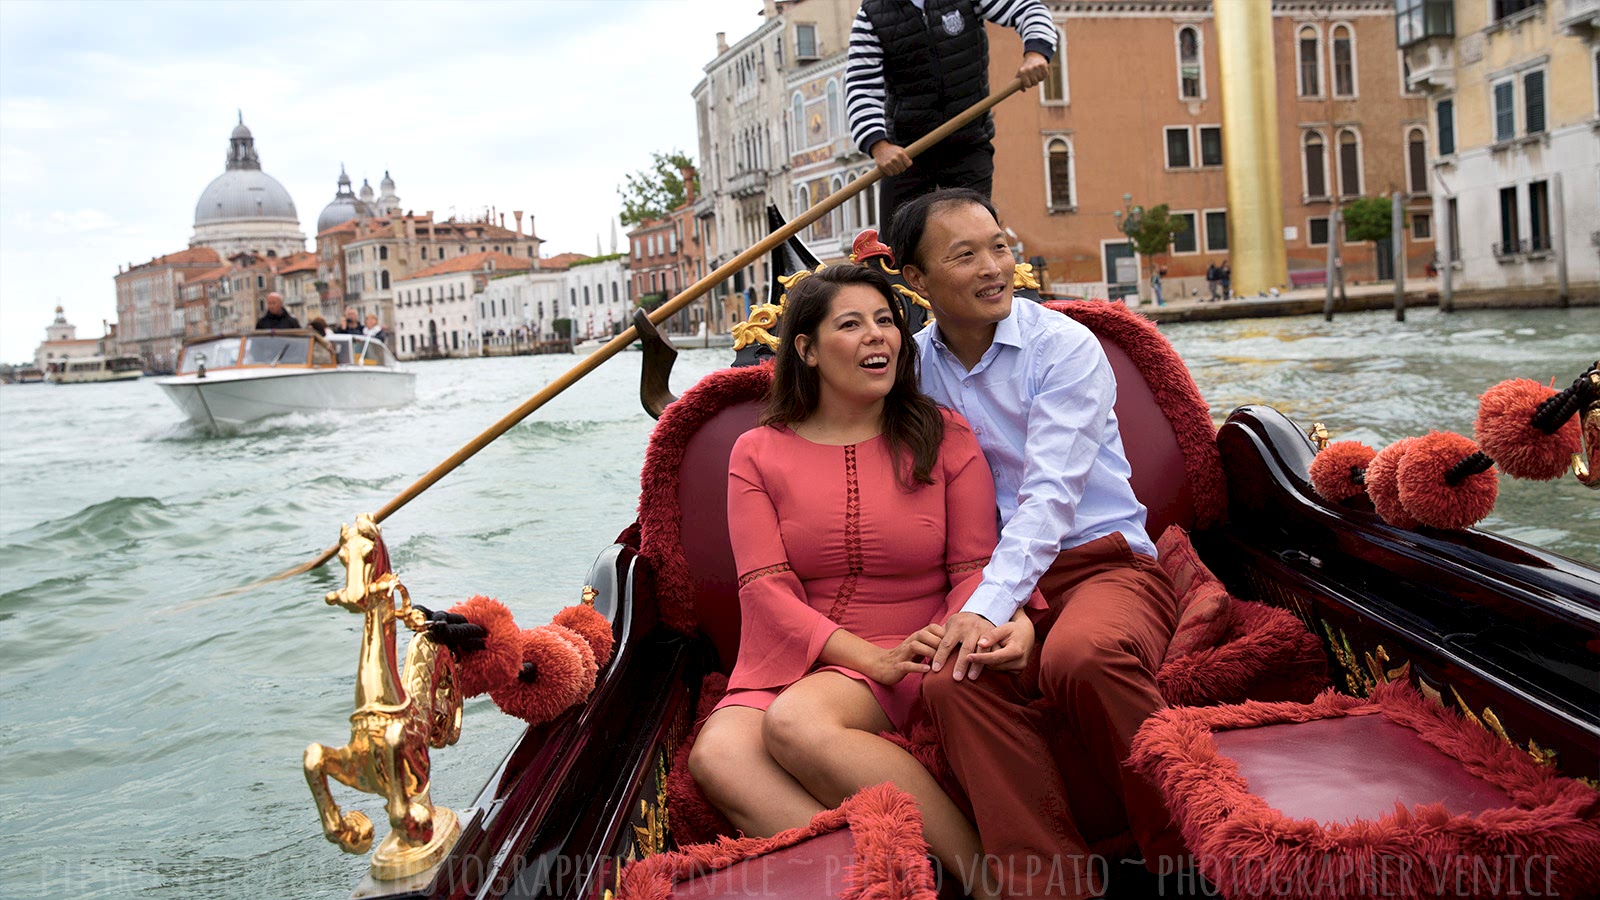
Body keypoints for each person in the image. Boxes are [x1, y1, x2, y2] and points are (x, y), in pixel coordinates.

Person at [687, 265, 1035, 900]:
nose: (878, 337)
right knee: (718, 756)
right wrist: (865, 658)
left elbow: (973, 568)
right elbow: (764, 587)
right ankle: (893, 884)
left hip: (915, 641)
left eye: (885, 322)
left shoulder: (945, 433)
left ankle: (985, 878)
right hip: (793, 649)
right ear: (808, 349)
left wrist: (962, 631)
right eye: (851, 325)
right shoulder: (757, 452)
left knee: (796, 724)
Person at [891, 189, 1184, 898]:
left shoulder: (1063, 346)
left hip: (1102, 565)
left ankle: (1189, 856)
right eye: (965, 255)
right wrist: (993, 606)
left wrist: (993, 605)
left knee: (1085, 656)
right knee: (952, 684)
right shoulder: (912, 372)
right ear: (917, 282)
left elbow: (1050, 496)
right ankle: (1049, 886)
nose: (996, 267)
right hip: (994, 579)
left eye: (999, 245)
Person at [846, 0, 1056, 237]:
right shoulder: (872, 14)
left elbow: (1029, 10)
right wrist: (878, 145)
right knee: (895, 249)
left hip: (969, 143)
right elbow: (861, 87)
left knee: (974, 238)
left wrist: (1036, 53)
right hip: (906, 153)